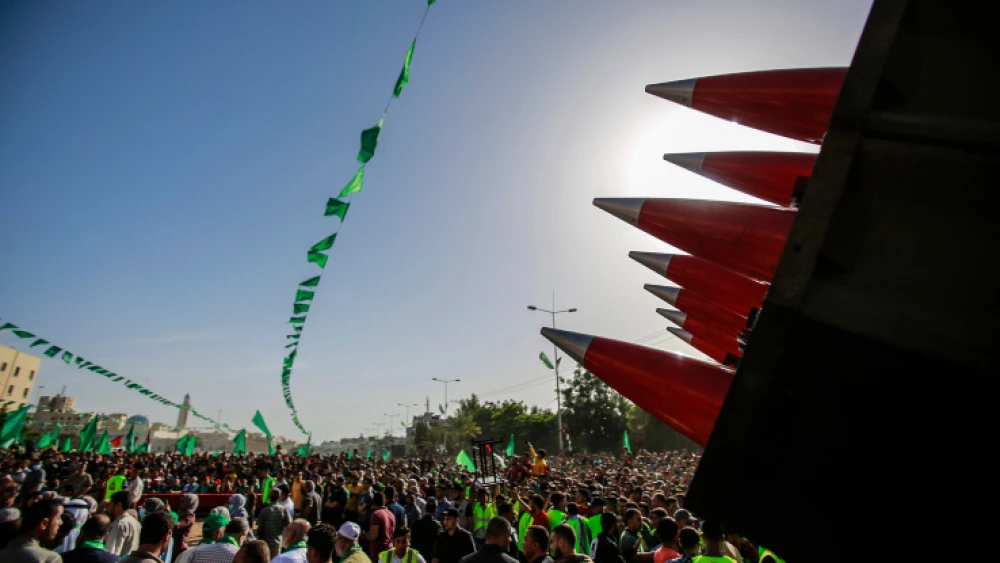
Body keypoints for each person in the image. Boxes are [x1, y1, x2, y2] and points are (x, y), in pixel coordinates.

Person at [0, 498, 63, 563]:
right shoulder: (50, 559)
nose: (61, 522)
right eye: (58, 518)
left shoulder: (3, 553)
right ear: (44, 523)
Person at [258, 489, 294, 558]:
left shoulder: (264, 511)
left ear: (269, 497)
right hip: (278, 542)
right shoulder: (284, 510)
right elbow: (289, 526)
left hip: (266, 543)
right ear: (280, 497)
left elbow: (260, 528)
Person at [105, 490, 141, 557]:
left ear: (119, 505)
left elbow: (111, 553)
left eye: (109, 505)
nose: (107, 509)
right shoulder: (137, 523)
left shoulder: (120, 524)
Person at [368, 492, 396, 560]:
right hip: (390, 548)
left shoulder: (376, 514)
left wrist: (365, 536)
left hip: (378, 552)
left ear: (373, 502)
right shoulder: (391, 514)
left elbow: (374, 536)